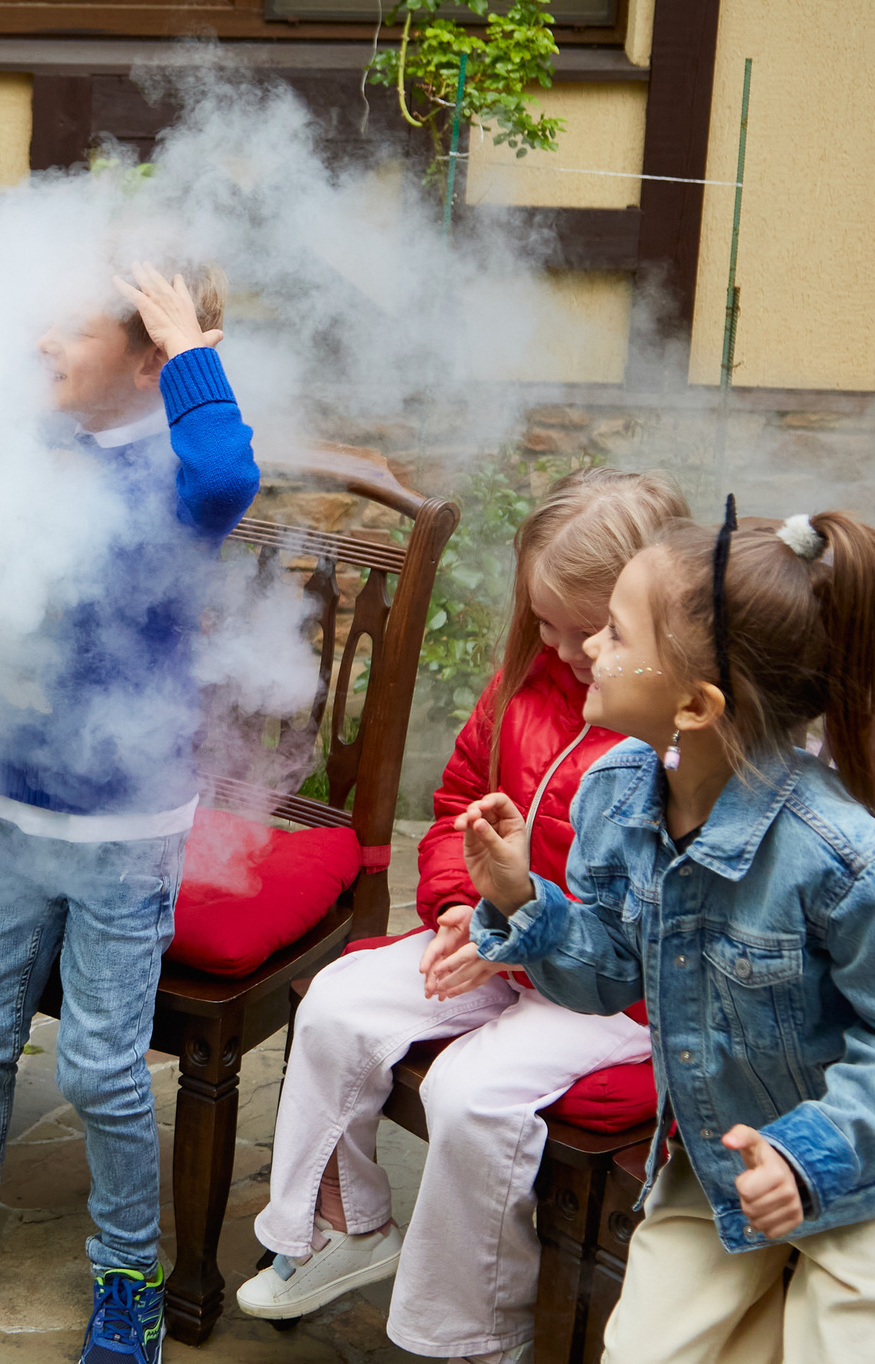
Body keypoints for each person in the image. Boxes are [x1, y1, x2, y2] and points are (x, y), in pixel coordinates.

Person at [0, 264, 260, 1364]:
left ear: (142, 358)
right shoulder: (36, 451)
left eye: (63, 328)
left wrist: (190, 350)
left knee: (99, 1069)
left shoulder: (175, 469)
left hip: (126, 834)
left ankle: (126, 1271)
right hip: (15, 805)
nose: (35, 344)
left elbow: (228, 476)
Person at [460, 504, 875, 1363]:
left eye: (615, 635)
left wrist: (806, 1157)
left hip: (868, 1173)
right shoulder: (614, 794)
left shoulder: (855, 864)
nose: (589, 647)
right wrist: (523, 901)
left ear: (695, 705)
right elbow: (610, 975)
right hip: (719, 1153)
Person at [235, 467, 688, 1353]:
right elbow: (455, 807)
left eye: (585, 631)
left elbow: (647, 923)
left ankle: (481, 1328)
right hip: (499, 934)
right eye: (541, 622)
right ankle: (342, 1226)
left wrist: (509, 932)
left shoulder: (667, 738)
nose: (557, 649)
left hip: (614, 997)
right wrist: (458, 903)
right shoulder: (527, 681)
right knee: (337, 1001)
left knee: (470, 1092)